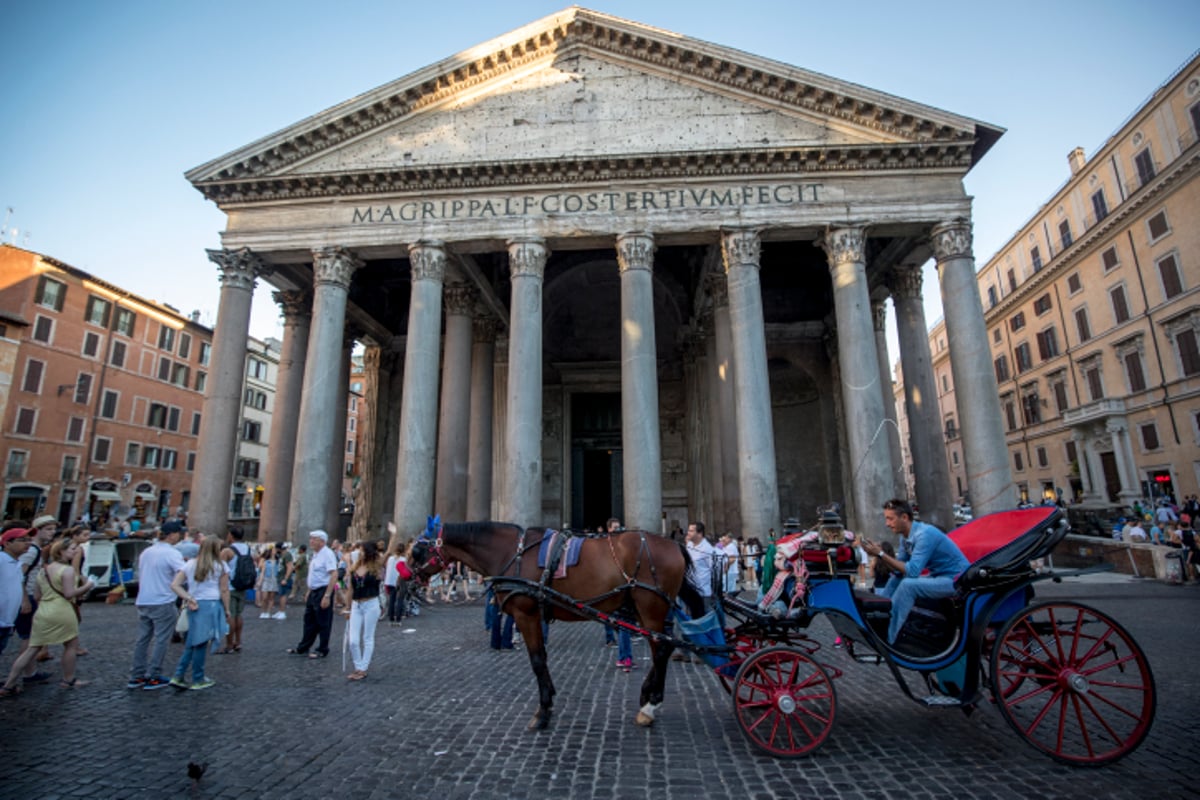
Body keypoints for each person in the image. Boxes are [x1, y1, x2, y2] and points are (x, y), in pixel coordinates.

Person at [860, 499, 969, 645]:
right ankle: (879, 615)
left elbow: (912, 572)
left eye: (890, 518)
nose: (887, 524)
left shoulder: (925, 534)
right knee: (896, 578)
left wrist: (881, 554)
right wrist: (878, 555)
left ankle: (888, 638)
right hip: (939, 576)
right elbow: (899, 570)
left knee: (909, 585)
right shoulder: (905, 537)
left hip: (957, 581)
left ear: (904, 517)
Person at [2, 537, 95, 694]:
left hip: (43, 610)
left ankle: (9, 684)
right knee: (70, 646)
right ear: (61, 552)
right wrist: (88, 585)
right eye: (72, 549)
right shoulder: (67, 570)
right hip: (62, 610)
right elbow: (69, 594)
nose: (75, 551)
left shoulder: (43, 570)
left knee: (32, 648)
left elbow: (37, 595)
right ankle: (68, 679)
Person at [127, 522, 186, 690]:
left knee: (142, 639)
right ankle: (153, 675)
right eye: (178, 534)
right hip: (163, 600)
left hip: (144, 599)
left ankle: (136, 676)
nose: (179, 537)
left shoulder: (147, 551)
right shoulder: (172, 553)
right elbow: (183, 575)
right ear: (172, 535)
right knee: (161, 639)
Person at [168, 536, 230, 690]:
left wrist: (189, 598)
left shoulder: (190, 564)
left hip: (194, 605)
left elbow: (175, 585)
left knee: (192, 642)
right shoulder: (221, 566)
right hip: (211, 604)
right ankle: (198, 678)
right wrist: (227, 609)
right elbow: (224, 589)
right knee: (201, 643)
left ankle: (179, 675)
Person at [287, 530, 339, 659]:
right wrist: (309, 591)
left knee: (323, 621)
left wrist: (327, 595)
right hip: (314, 591)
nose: (311, 541)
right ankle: (303, 646)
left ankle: (322, 649)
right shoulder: (315, 554)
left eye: (314, 539)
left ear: (322, 541)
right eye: (311, 539)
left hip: (323, 590)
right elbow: (314, 575)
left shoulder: (327, 554)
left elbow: (334, 574)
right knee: (309, 620)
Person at [342, 539, 385, 680]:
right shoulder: (355, 567)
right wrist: (347, 608)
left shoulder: (376, 567)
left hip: (371, 604)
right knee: (353, 640)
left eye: (362, 550)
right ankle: (358, 666)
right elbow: (350, 589)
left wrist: (394, 535)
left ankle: (362, 669)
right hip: (356, 605)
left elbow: (388, 553)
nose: (359, 552)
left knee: (367, 637)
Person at [601, 518, 635, 672]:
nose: (618, 530)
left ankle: (624, 657)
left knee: (623, 625)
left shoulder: (621, 547)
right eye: (615, 528)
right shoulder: (606, 547)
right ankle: (625, 657)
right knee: (623, 624)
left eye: (619, 527)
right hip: (615, 589)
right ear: (609, 529)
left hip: (622, 589)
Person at [0, 528, 32, 662]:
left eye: (28, 540)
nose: (27, 543)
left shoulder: (17, 563)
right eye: (22, 540)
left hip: (7, 621)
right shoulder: (1, 560)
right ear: (7, 543)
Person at [218, 526, 251, 653]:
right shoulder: (247, 548)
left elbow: (219, 567)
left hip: (230, 586)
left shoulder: (227, 551)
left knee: (229, 615)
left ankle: (229, 644)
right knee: (238, 615)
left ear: (231, 535)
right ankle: (238, 641)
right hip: (242, 585)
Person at [684, 521, 720, 613]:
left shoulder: (707, 549)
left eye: (691, 531)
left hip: (702, 592)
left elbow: (715, 569)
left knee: (703, 618)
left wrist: (714, 590)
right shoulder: (689, 545)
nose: (688, 533)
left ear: (699, 533)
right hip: (690, 590)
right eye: (688, 530)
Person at [256, 544, 279, 619]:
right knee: (264, 597)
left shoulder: (277, 561)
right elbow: (262, 572)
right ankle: (263, 611)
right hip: (267, 579)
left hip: (274, 580)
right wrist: (260, 581)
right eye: (273, 550)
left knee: (271, 598)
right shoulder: (266, 562)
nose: (275, 551)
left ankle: (268, 612)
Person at [274, 542, 294, 619]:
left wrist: (285, 578)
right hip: (281, 577)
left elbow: (290, 567)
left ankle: (282, 612)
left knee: (283, 595)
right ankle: (280, 611)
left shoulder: (287, 555)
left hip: (284, 578)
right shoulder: (282, 555)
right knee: (281, 594)